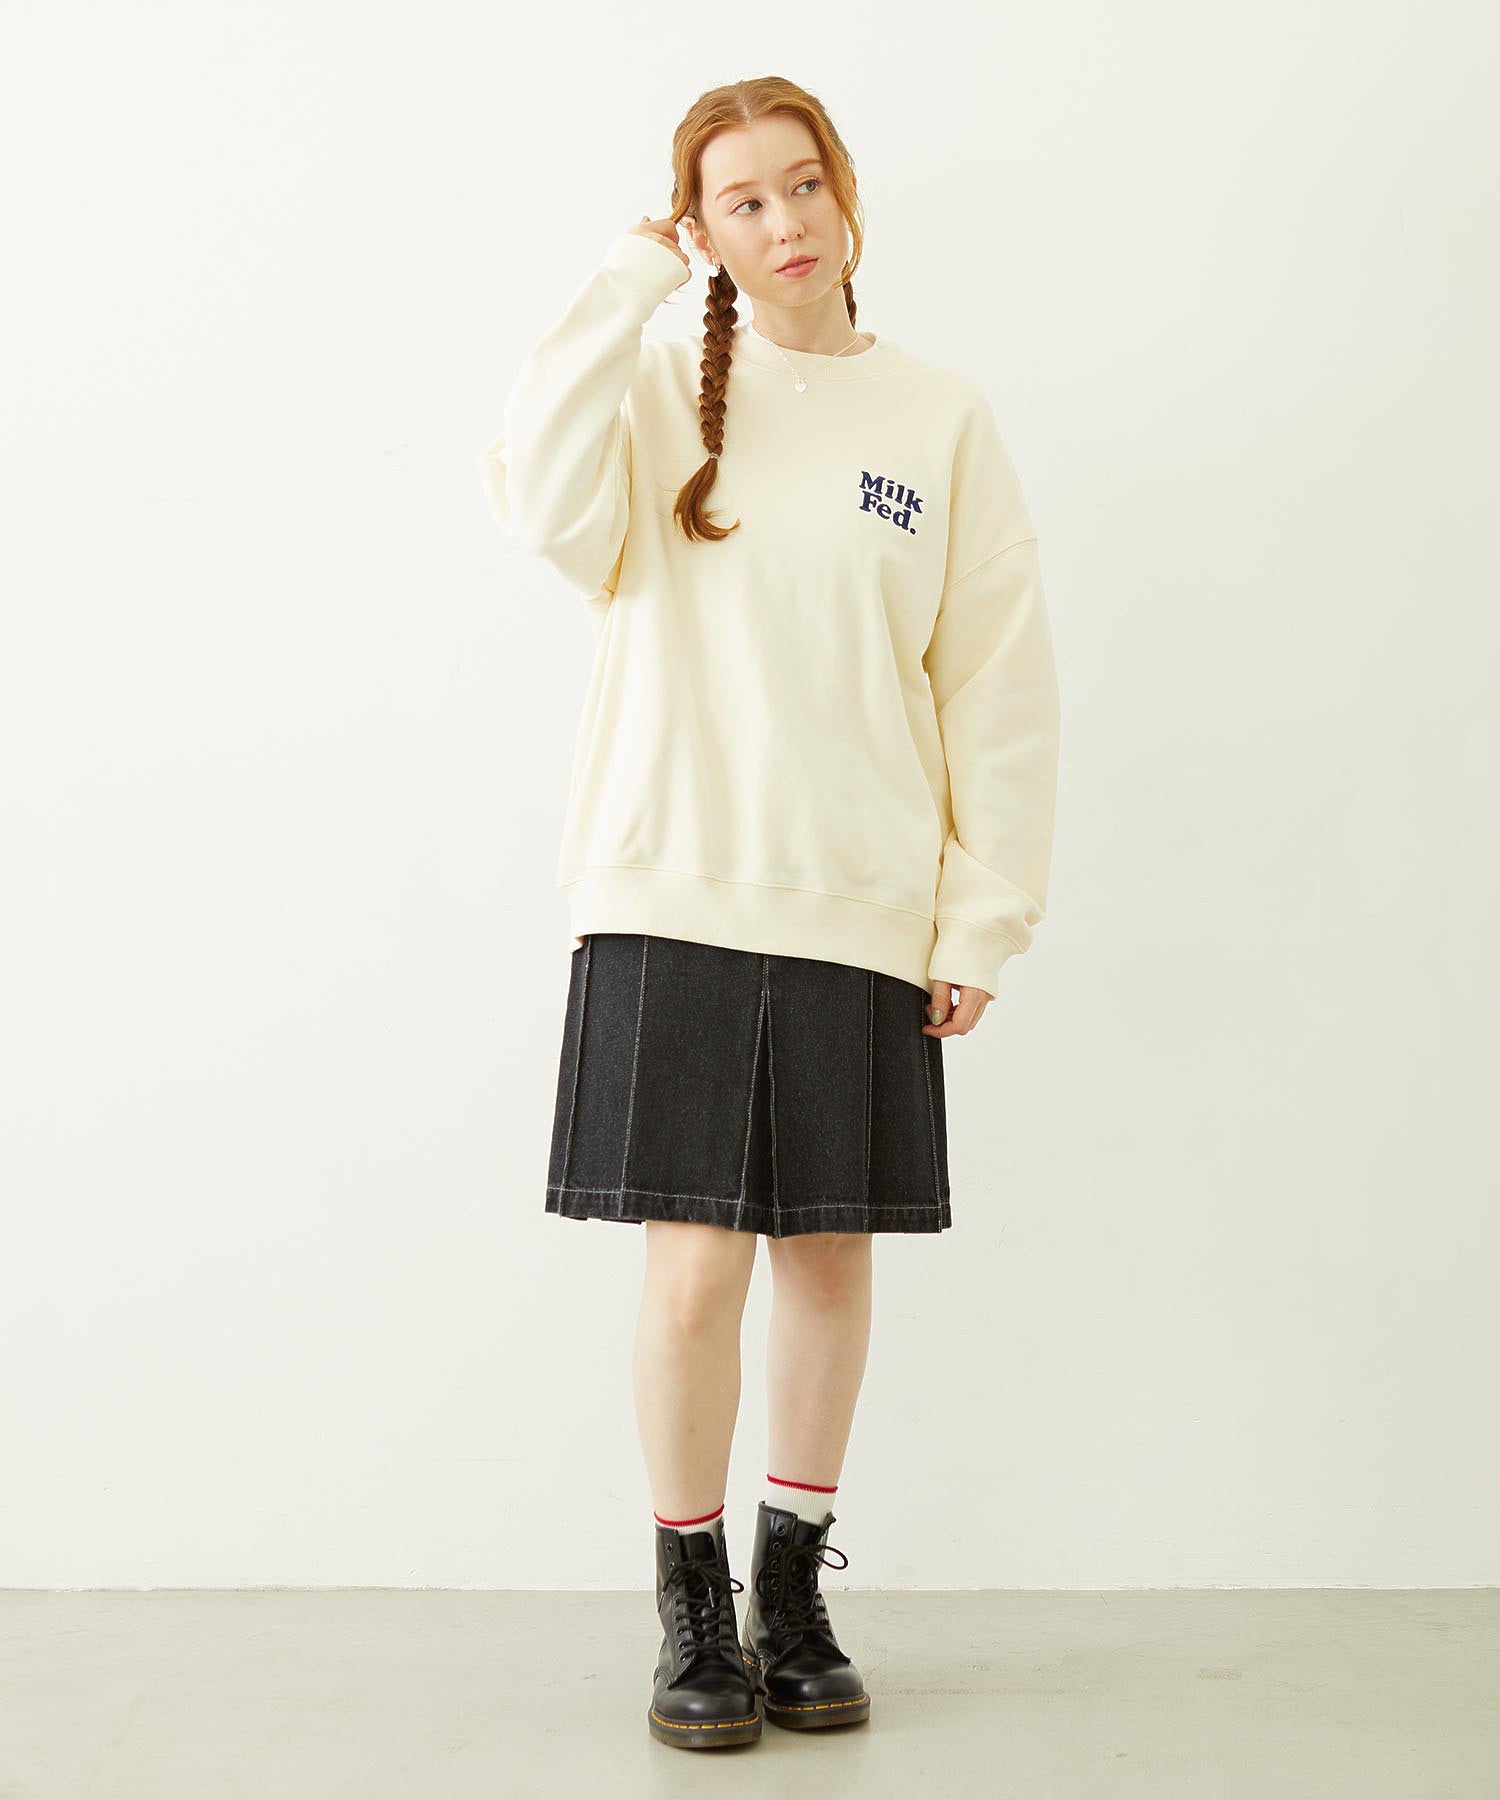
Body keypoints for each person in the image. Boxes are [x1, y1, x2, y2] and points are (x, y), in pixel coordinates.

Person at [477, 76, 1060, 1751]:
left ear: (845, 191)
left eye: (803, 185)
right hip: (671, 879)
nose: (785, 221)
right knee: (690, 1275)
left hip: (862, 901)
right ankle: (690, 1606)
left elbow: (996, 686)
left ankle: (790, 1591)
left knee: (827, 1259)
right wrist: (625, 282)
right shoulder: (656, 392)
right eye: (741, 200)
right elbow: (533, 501)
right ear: (703, 230)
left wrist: (979, 916)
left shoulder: (939, 420)